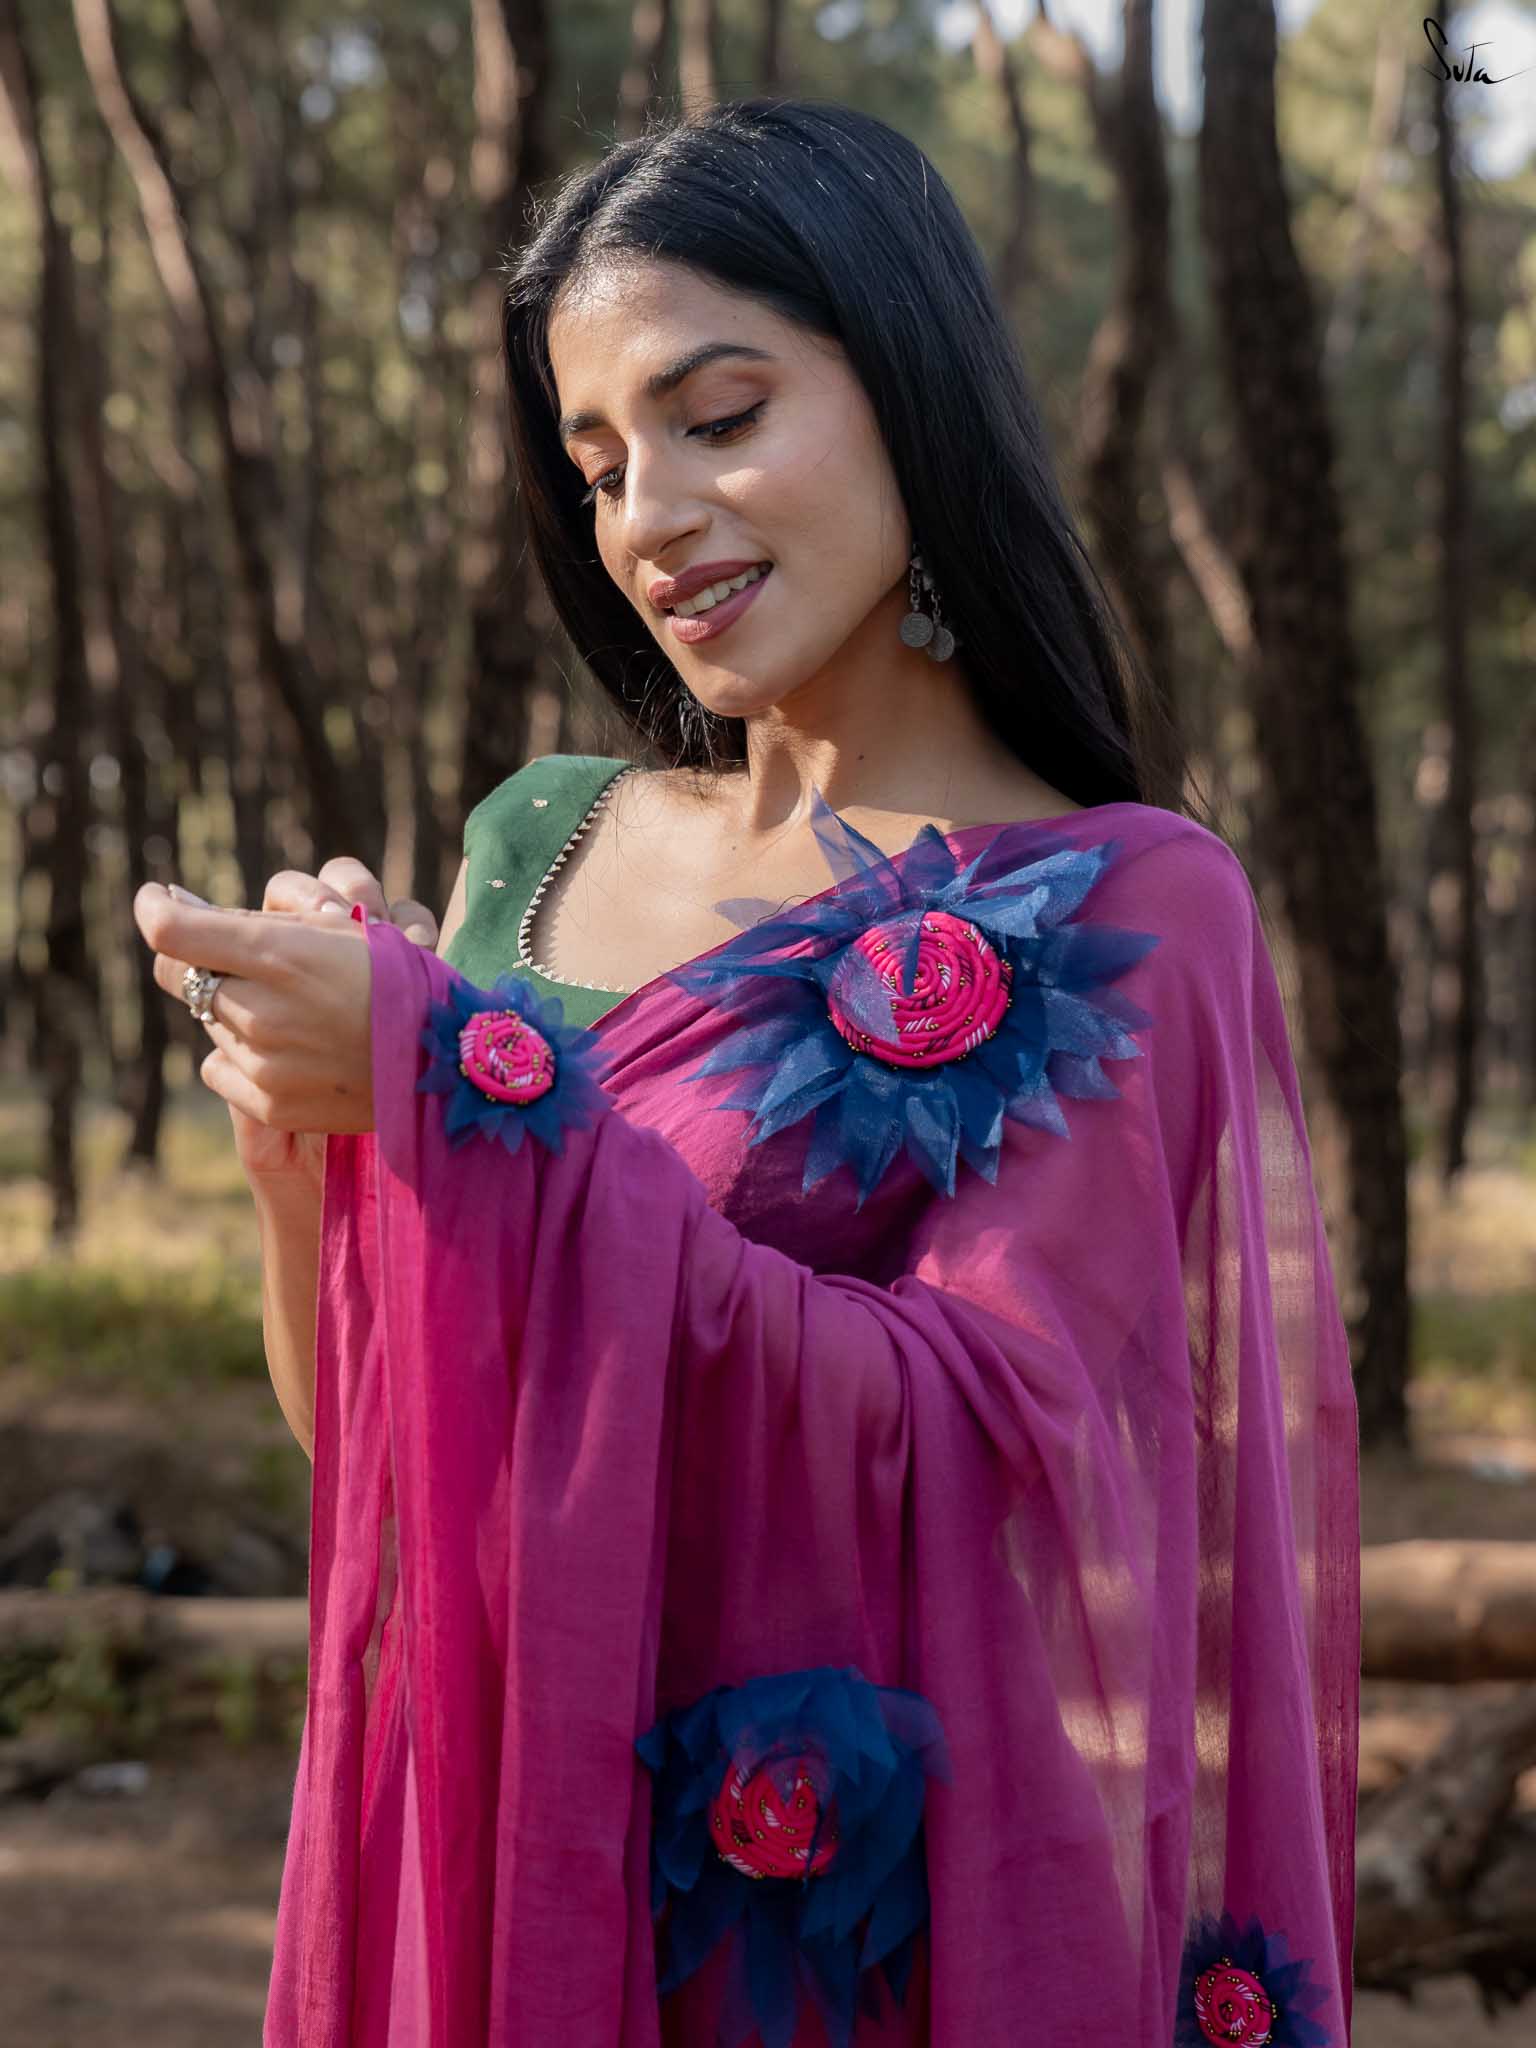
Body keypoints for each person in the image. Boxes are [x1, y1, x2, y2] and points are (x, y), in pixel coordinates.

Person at [134, 98, 1359, 2048]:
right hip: (514, 1847)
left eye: (719, 417)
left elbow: (988, 1436)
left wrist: (468, 1098)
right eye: (598, 466)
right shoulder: (540, 839)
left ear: (912, 387)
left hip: (848, 1927)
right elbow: (381, 1436)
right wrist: (325, 1154)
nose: (648, 518)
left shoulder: (1132, 904)